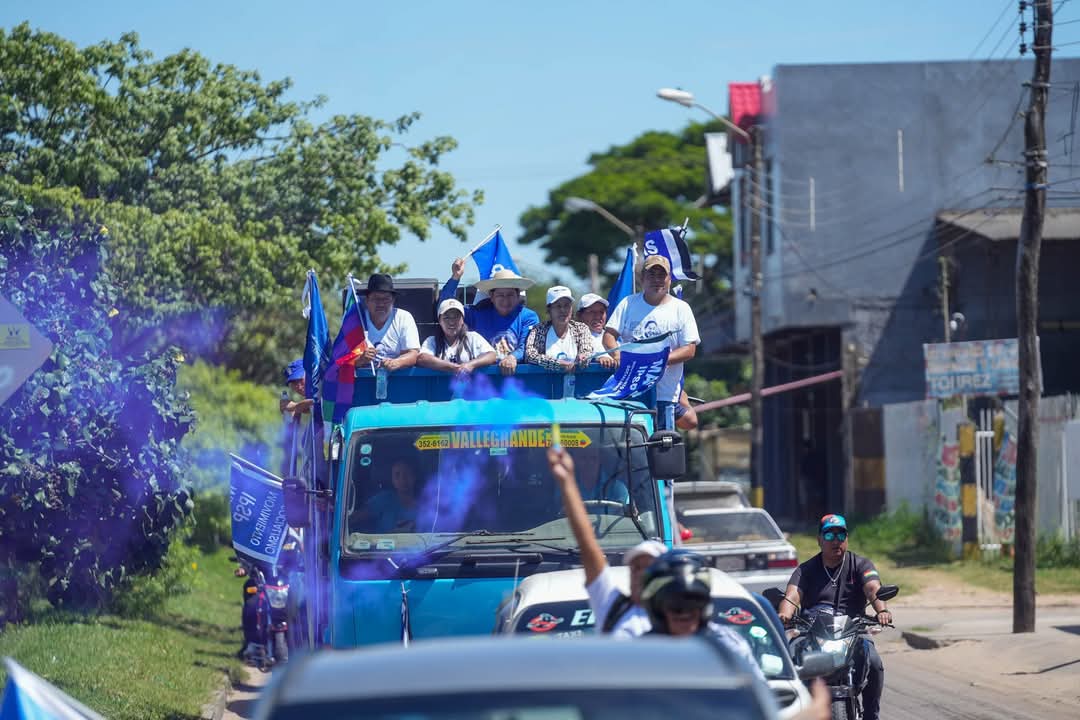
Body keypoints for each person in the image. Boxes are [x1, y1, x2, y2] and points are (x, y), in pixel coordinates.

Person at [777, 514, 891, 720]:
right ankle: (796, 711)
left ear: (847, 538)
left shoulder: (860, 565)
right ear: (819, 540)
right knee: (792, 659)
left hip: (853, 630)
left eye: (841, 534)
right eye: (829, 535)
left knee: (874, 662)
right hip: (811, 631)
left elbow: (874, 589)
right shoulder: (806, 570)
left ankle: (872, 715)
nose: (836, 540)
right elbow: (792, 595)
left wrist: (882, 610)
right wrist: (785, 614)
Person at [547, 445, 666, 637]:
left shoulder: (676, 616)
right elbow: (587, 546)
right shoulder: (614, 609)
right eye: (636, 568)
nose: (640, 576)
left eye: (649, 569)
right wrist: (566, 482)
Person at [638, 549, 765, 684]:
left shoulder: (729, 646)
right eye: (676, 606)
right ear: (658, 610)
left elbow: (757, 693)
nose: (685, 613)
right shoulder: (641, 654)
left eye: (694, 604)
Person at [604, 255, 700, 430]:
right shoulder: (628, 303)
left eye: (661, 275)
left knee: (661, 449)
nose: (657, 280)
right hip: (630, 393)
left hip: (665, 396)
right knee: (629, 447)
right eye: (651, 275)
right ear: (642, 279)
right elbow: (609, 335)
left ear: (669, 279)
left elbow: (690, 349)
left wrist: (658, 361)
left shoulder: (681, 308)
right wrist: (616, 354)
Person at [439, 260, 540, 376]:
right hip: (482, 379)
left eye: (510, 295)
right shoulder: (477, 313)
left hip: (519, 380)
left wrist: (512, 357)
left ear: (518, 296)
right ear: (491, 297)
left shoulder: (529, 317)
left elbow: (528, 347)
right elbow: (444, 307)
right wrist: (455, 277)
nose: (505, 300)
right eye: (500, 295)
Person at [355, 273, 420, 372]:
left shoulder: (403, 318)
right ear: (367, 300)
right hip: (362, 382)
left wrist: (396, 362)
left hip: (398, 381)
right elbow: (342, 359)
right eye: (376, 298)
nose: (381, 303)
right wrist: (360, 360)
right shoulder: (357, 320)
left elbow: (413, 354)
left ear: (393, 300)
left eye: (386, 299)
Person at [417, 298, 498, 375]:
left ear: (463, 320)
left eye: (456, 317)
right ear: (440, 321)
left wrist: (471, 365)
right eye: (446, 318)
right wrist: (454, 367)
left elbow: (491, 355)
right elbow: (422, 358)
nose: (451, 322)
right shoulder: (431, 340)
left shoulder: (473, 337)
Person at [523, 286, 594, 372]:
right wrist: (557, 364)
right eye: (558, 306)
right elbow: (530, 356)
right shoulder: (539, 330)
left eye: (567, 305)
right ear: (549, 310)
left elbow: (587, 350)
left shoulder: (581, 328)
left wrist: (584, 357)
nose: (563, 310)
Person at [351, 461, 419, 533]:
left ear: (414, 476)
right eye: (397, 475)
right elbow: (355, 518)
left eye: (406, 474)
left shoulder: (427, 504)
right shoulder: (384, 499)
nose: (402, 479)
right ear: (392, 479)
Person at [576, 293, 617, 369]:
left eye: (601, 312)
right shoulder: (574, 338)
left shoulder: (613, 336)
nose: (598, 316)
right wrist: (597, 360)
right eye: (592, 312)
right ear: (579, 315)